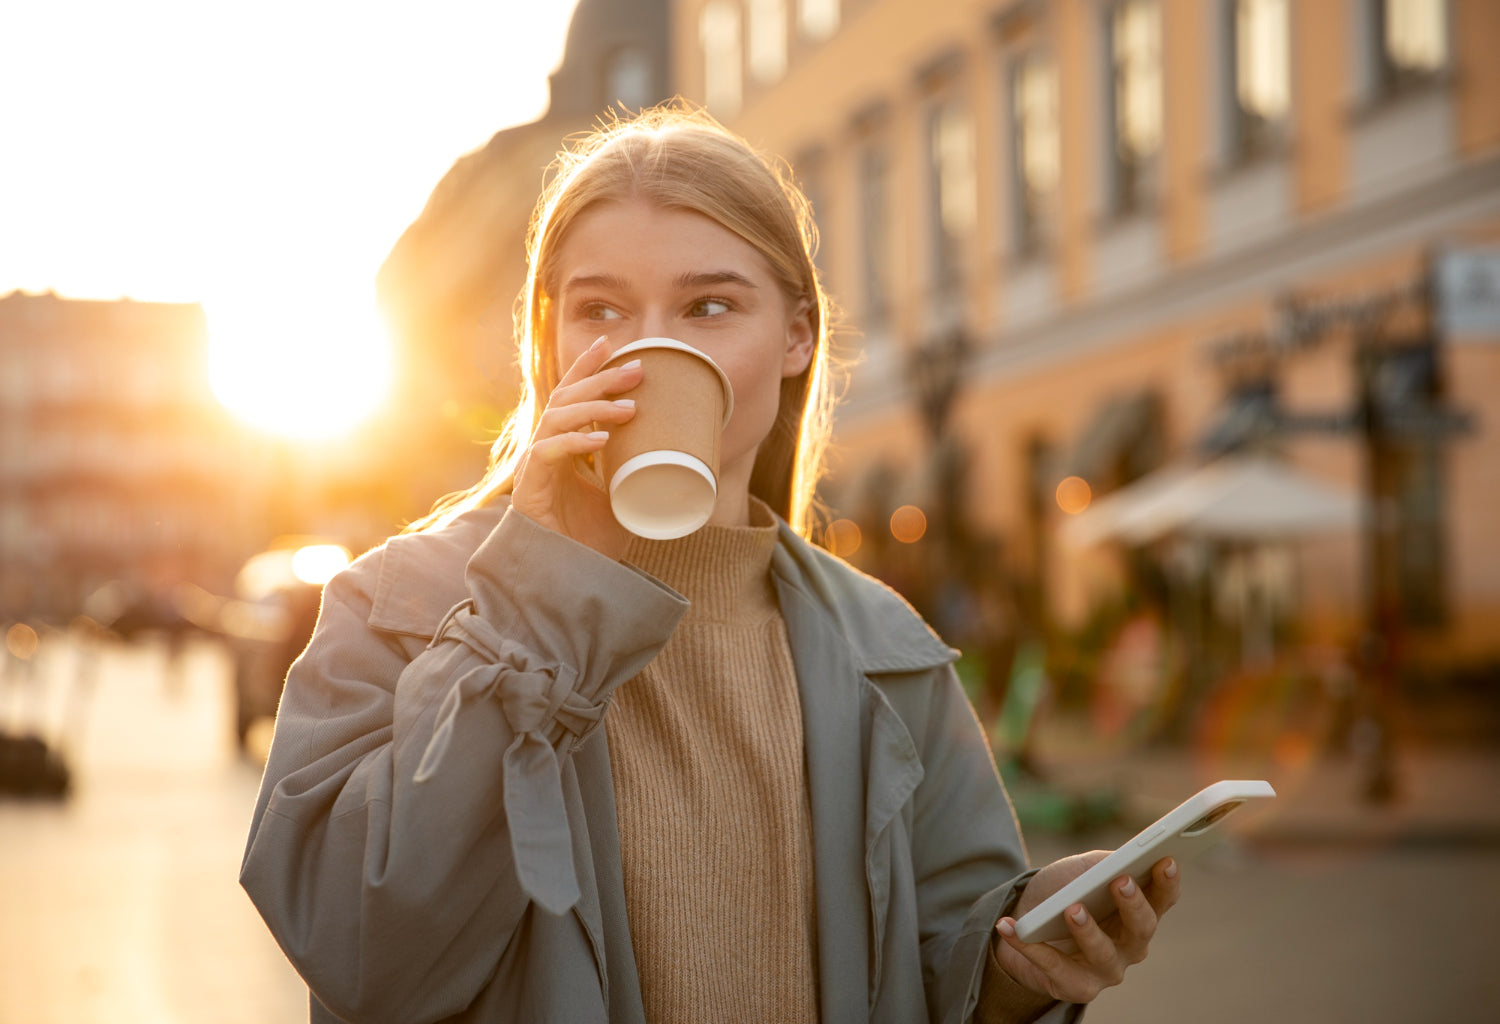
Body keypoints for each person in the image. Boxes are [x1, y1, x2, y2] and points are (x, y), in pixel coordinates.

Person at [240, 101, 1179, 1024]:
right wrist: (540, 594)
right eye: (601, 308)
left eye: (710, 305)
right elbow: (361, 952)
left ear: (795, 338)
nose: (652, 352)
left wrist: (1022, 957)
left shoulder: (883, 647)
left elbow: (935, 966)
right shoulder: (396, 606)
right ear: (551, 341)